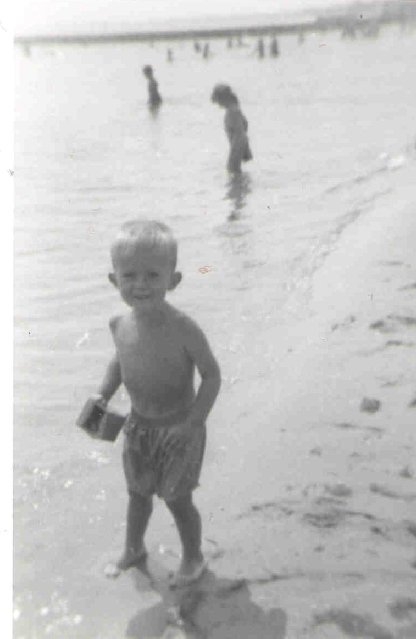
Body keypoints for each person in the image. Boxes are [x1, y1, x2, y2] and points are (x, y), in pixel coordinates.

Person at [84, 220, 221, 587]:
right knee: (137, 494)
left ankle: (193, 557)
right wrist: (102, 395)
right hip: (138, 427)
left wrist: (194, 422)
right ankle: (133, 549)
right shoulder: (119, 324)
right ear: (114, 280)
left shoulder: (184, 328)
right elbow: (120, 361)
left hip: (180, 428)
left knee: (177, 499)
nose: (140, 284)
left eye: (152, 275)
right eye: (129, 275)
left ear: (173, 280)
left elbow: (211, 375)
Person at [211, 84, 253, 174]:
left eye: (218, 100)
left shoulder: (232, 111)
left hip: (237, 145)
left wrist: (236, 150)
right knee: (235, 172)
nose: (218, 104)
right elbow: (244, 126)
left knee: (232, 171)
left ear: (223, 98)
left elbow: (240, 132)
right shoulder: (235, 109)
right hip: (239, 144)